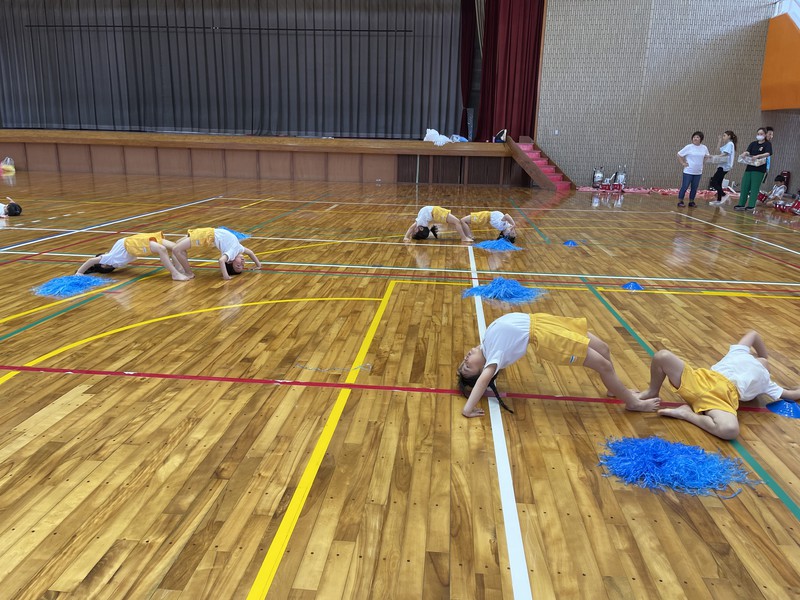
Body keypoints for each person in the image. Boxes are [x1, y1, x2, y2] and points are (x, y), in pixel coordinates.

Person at [457, 312, 660, 417]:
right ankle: (632, 403)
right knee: (603, 365)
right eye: (467, 367)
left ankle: (614, 389)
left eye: (462, 363)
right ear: (483, 370)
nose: (465, 360)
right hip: (549, 338)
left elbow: (481, 374)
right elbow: (483, 380)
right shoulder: (494, 355)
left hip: (547, 323)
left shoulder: (486, 342)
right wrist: (468, 409)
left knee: (604, 349)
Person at [637, 331, 800, 440]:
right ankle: (652, 391)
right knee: (662, 356)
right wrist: (765, 358)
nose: (763, 362)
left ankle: (686, 414)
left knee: (730, 430)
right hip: (702, 380)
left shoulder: (767, 382)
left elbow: (792, 395)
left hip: (721, 399)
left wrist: (764, 359)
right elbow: (754, 334)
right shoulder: (740, 354)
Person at [76, 232, 190, 281]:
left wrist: (79, 273)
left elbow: (91, 261)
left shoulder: (111, 256)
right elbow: (92, 261)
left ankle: (179, 269)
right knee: (163, 249)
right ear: (104, 265)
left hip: (134, 242)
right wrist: (80, 273)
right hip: (134, 243)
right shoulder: (111, 260)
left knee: (175, 247)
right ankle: (175, 274)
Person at [172, 227, 262, 280]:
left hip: (206, 236)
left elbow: (221, 260)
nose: (242, 263)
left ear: (230, 261)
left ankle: (189, 273)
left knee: (176, 250)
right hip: (207, 232)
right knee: (177, 245)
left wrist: (226, 276)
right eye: (243, 265)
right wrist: (258, 265)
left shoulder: (232, 253)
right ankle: (181, 269)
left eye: (238, 265)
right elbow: (250, 252)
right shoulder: (239, 248)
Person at [734, 127, 772, 211]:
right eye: (758, 134)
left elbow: (768, 153)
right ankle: (741, 204)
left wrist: (758, 156)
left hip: (759, 169)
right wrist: (745, 153)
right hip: (750, 167)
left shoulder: (767, 144)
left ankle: (751, 205)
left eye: (761, 134)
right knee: (745, 185)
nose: (759, 135)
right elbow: (748, 151)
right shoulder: (753, 144)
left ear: (765, 135)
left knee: (754, 187)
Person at [676, 131, 710, 208]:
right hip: (688, 171)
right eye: (694, 137)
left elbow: (707, 156)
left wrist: (703, 162)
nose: (695, 138)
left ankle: (691, 201)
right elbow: (679, 154)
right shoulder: (689, 147)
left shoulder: (704, 148)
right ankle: (680, 201)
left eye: (697, 137)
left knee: (694, 187)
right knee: (685, 186)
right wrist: (683, 163)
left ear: (701, 139)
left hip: (698, 172)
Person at [403, 206, 473, 242]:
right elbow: (411, 228)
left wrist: (407, 236)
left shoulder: (421, 223)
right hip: (437, 212)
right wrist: (406, 237)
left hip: (436, 211)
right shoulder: (420, 223)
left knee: (457, 222)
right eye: (414, 232)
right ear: (420, 229)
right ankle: (464, 238)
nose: (413, 230)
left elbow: (411, 229)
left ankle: (467, 236)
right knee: (457, 222)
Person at [706, 131, 737, 206]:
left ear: (729, 136)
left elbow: (725, 154)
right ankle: (719, 200)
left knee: (713, 182)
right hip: (721, 165)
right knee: (719, 183)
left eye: (724, 135)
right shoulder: (727, 144)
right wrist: (719, 141)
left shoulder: (730, 144)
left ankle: (723, 194)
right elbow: (718, 150)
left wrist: (714, 156)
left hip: (724, 166)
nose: (723, 137)